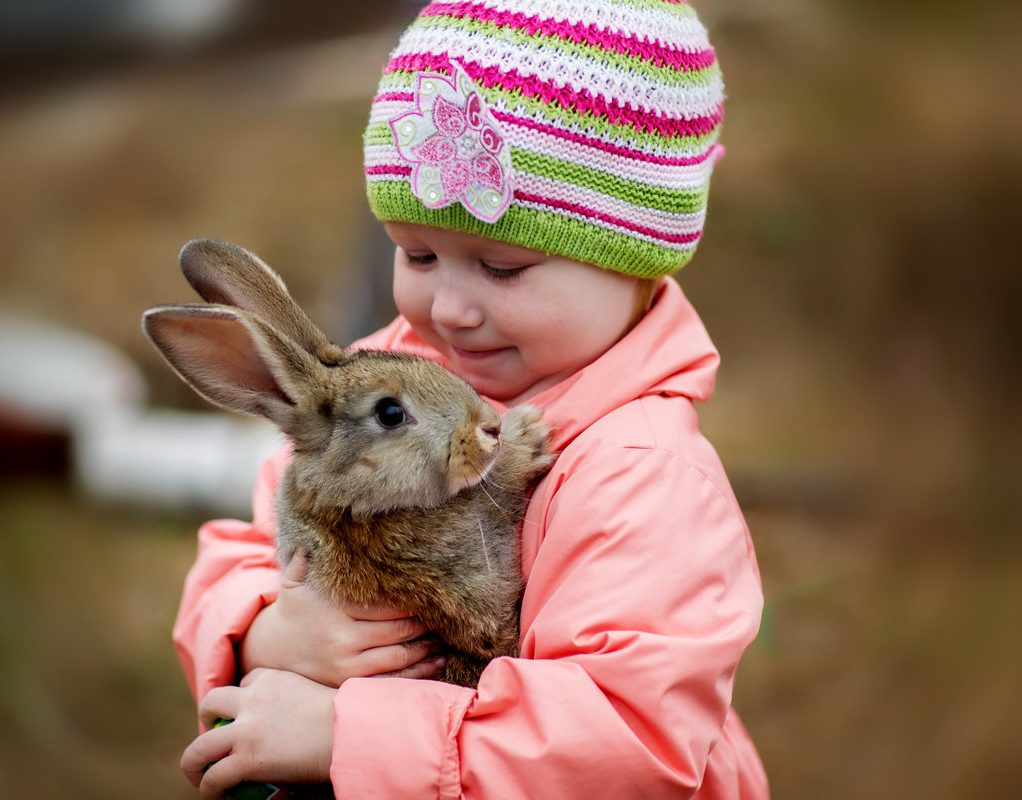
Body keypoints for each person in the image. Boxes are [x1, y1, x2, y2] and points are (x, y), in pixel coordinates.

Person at [176, 1, 768, 797]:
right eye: (418, 254)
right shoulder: (383, 381)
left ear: (636, 260)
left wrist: (346, 737)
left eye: (503, 268)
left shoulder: (641, 472)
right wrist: (268, 631)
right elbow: (244, 548)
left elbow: (628, 740)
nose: (449, 309)